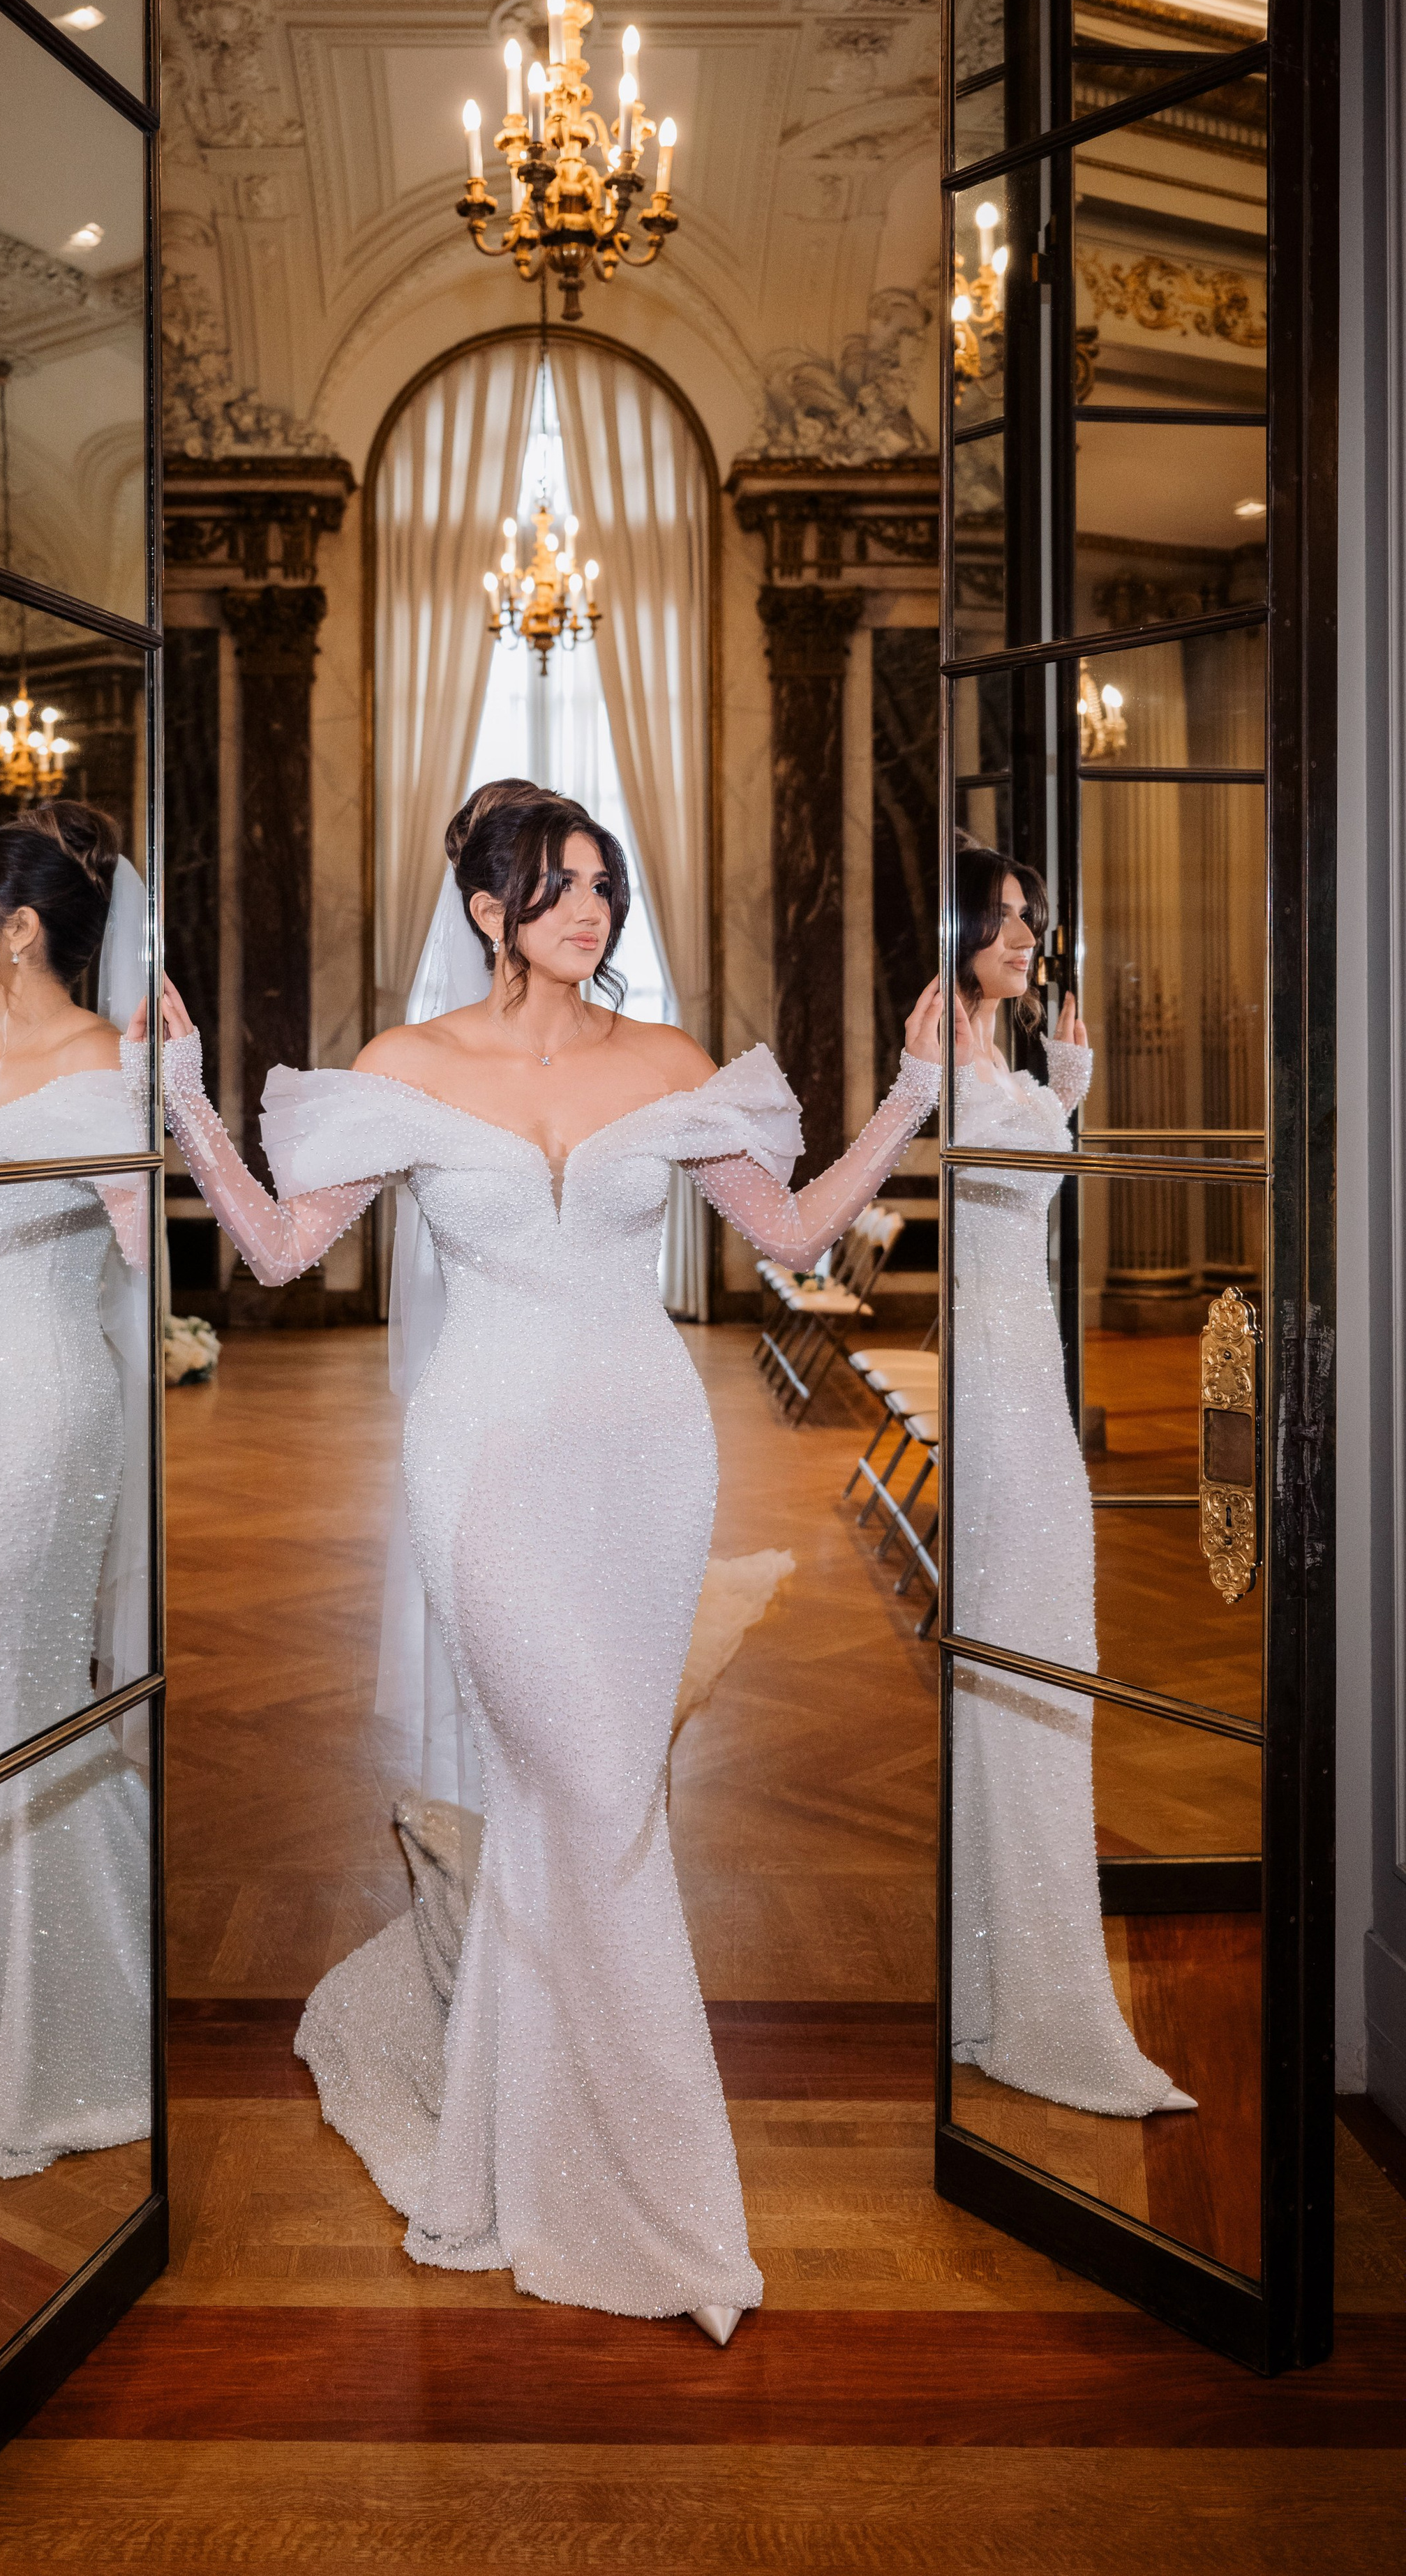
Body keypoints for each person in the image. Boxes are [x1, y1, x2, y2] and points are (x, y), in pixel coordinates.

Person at [130, 781, 943, 2338]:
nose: (590, 909)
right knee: (585, 1791)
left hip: (647, 1456)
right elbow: (282, 1247)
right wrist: (181, 1096)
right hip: (484, 1461)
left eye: (603, 885)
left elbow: (786, 1238)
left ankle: (517, 2137)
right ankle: (665, 2198)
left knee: (595, 1797)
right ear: (486, 907)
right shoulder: (404, 1066)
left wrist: (909, 1094)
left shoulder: (668, 1064)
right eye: (557, 884)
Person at [945, 834, 1193, 2118]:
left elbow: (1021, 1167)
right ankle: (1019, 1990)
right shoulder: (941, 1044)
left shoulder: (996, 1052)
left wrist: (1065, 1087)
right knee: (1025, 1637)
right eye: (1003, 917)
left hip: (1021, 1351)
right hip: (992, 1374)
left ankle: (1000, 1976)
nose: (1025, 937)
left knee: (1034, 1642)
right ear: (955, 932)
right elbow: (981, 1159)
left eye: (1029, 918)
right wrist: (1052, 1105)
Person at [0, 800, 154, 2178]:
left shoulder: (117, 1064)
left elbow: (148, 1260)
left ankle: (61, 2031)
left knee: (13, 1675)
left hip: (50, 1400)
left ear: (15, 928)